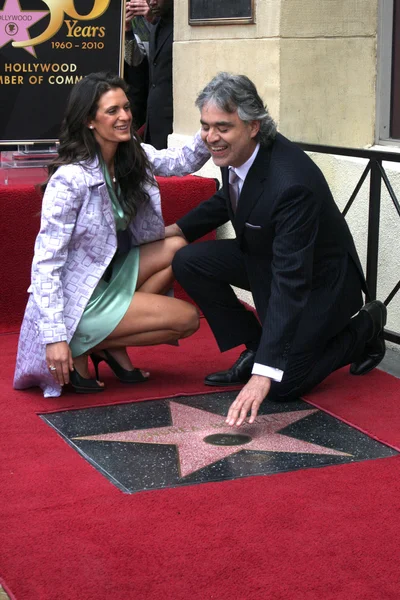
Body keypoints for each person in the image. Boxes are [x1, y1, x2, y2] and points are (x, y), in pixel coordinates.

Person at [167, 72, 387, 427]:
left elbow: (291, 280)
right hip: (269, 259)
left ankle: (364, 329)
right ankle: (255, 346)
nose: (211, 137)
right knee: (189, 261)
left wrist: (263, 375)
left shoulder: (291, 183)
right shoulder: (238, 150)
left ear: (253, 126)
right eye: (205, 126)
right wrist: (176, 229)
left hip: (320, 281)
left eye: (222, 127)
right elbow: (233, 195)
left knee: (284, 384)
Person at [13, 72, 209, 398]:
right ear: (90, 120)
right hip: (80, 296)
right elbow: (46, 263)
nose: (125, 117)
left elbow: (180, 161)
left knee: (177, 247)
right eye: (112, 111)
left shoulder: (129, 154)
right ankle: (77, 340)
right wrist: (54, 336)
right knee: (187, 320)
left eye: (127, 107)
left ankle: (101, 344)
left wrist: (212, 124)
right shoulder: (70, 180)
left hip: (109, 277)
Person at [125, 0, 173, 149]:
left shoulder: (180, 25)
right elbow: (135, 60)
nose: (151, 2)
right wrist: (127, 30)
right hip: (152, 117)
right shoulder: (157, 25)